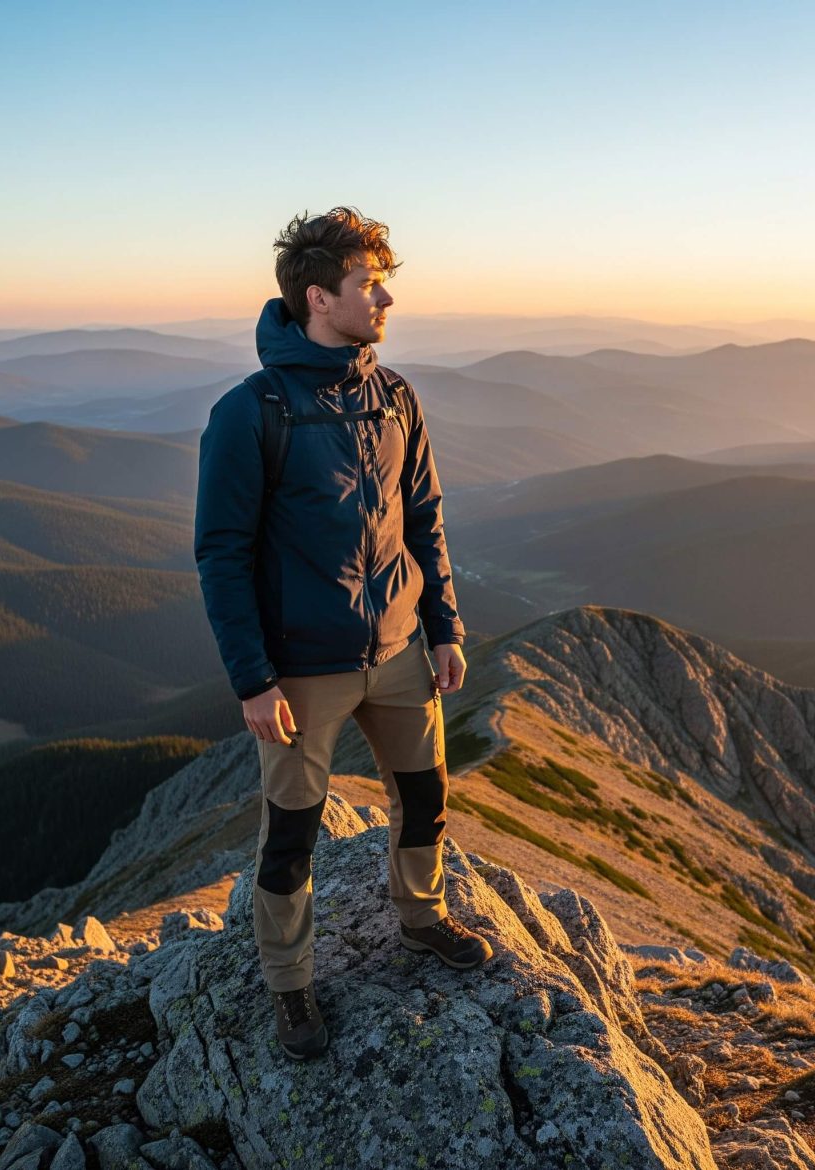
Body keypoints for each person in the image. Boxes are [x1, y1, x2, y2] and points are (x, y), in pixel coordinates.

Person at [194, 207, 492, 1061]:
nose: (385, 296)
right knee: (291, 834)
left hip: (401, 651)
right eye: (369, 283)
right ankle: (290, 985)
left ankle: (423, 919)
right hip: (302, 673)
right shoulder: (252, 412)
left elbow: (423, 518)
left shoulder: (395, 395)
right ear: (320, 297)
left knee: (426, 798)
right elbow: (221, 553)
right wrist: (252, 679)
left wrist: (445, 630)